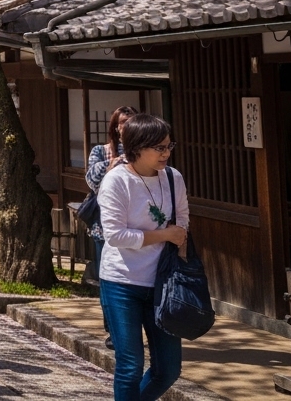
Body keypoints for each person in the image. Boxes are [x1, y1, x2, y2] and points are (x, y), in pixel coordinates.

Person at [98, 113, 189, 401]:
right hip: (121, 282)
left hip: (163, 284)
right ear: (137, 147)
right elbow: (115, 236)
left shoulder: (173, 178)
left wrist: (180, 242)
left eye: (168, 146)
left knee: (168, 369)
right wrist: (164, 235)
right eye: (159, 148)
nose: (166, 153)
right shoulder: (116, 181)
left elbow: (183, 221)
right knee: (130, 365)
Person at [87, 105, 137, 350]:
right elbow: (91, 182)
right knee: (108, 282)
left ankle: (132, 331)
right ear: (115, 128)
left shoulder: (143, 153)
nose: (126, 126)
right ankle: (112, 331)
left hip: (137, 229)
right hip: (104, 229)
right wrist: (112, 165)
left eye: (131, 121)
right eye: (122, 122)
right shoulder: (101, 151)